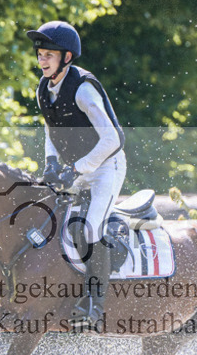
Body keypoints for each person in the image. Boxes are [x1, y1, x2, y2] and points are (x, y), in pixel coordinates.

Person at [26, 20, 126, 331]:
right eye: (40, 54)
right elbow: (49, 127)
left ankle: (96, 303)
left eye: (48, 55)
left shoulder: (83, 90)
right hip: (77, 169)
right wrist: (50, 162)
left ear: (66, 57)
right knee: (52, 221)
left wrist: (76, 169)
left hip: (107, 166)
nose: (42, 60)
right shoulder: (44, 88)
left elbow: (113, 139)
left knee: (90, 227)